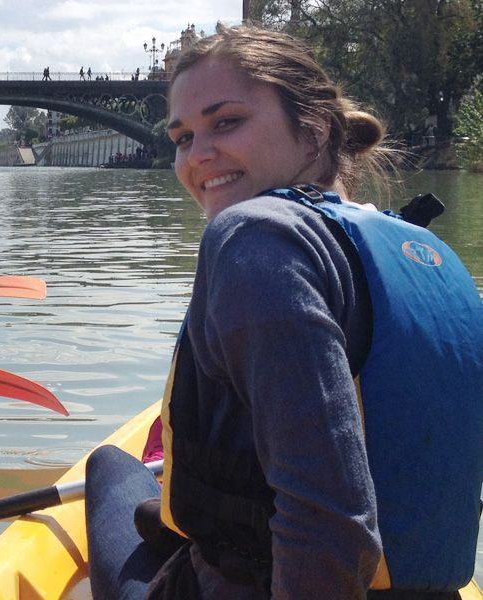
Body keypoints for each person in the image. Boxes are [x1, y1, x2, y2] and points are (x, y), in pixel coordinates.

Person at [84, 24, 483, 600]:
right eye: (182, 137)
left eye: (227, 123)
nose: (198, 155)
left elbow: (332, 523)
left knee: (109, 469)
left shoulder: (252, 237)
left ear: (315, 128)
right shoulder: (424, 249)